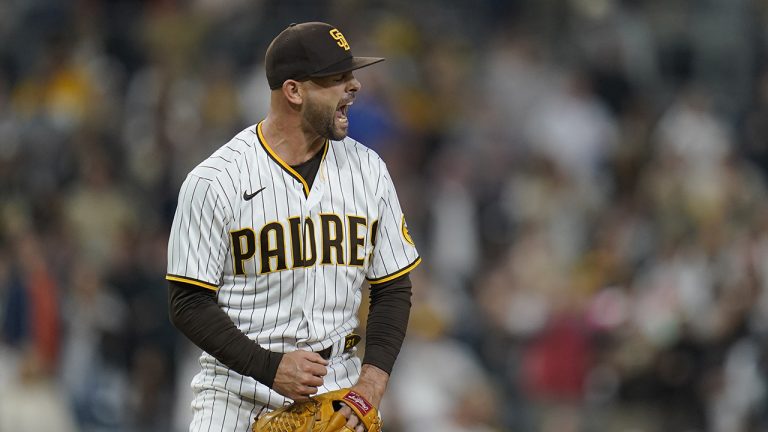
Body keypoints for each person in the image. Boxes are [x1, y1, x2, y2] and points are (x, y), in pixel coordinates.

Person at [166, 22, 421, 432]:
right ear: (294, 91)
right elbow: (188, 303)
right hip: (236, 392)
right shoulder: (215, 180)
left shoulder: (369, 170)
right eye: (337, 78)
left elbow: (393, 287)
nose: (353, 86)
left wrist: (372, 381)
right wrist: (269, 367)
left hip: (339, 387)